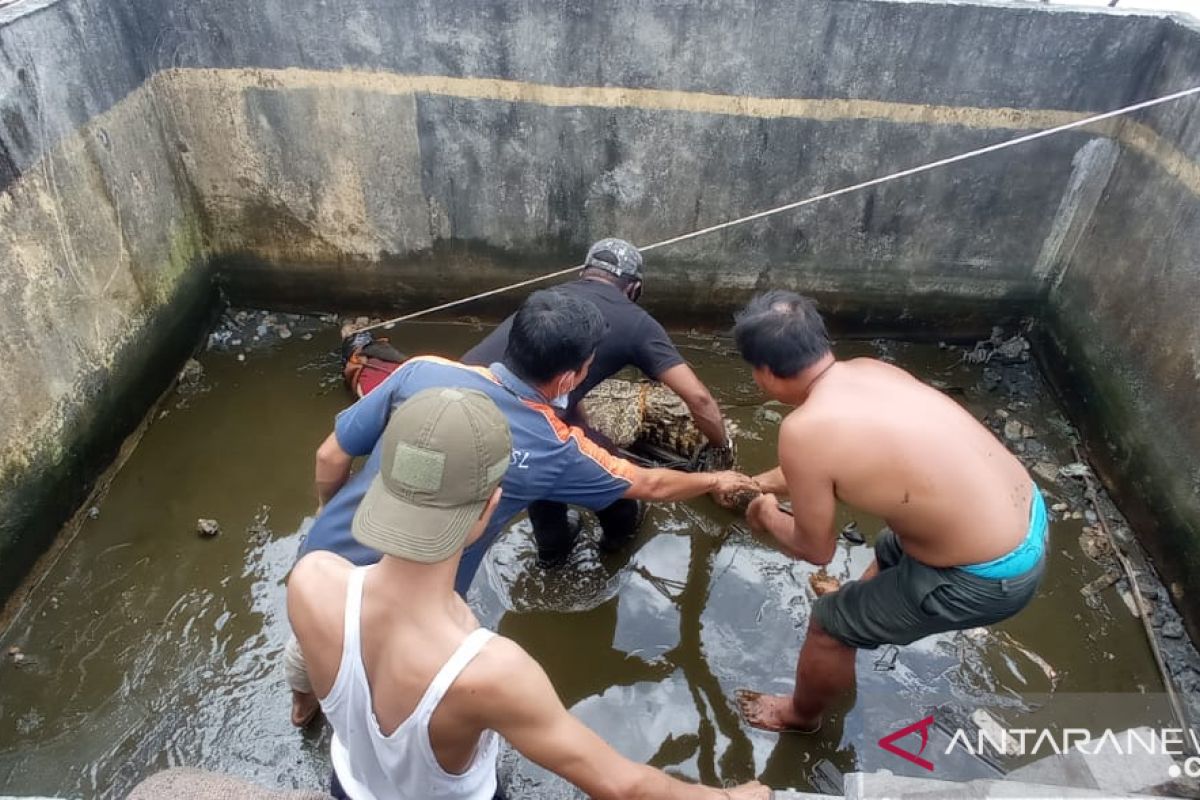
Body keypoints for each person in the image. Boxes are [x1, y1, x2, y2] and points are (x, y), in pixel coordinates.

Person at [287, 288, 756, 726]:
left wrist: (331, 515)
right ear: (571, 376)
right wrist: (714, 477)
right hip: (415, 610)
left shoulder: (421, 371)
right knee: (392, 699)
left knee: (310, 648)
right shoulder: (554, 446)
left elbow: (330, 456)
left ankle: (304, 705)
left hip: (320, 566)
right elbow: (649, 484)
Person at [289, 387, 769, 799]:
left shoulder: (313, 580)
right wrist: (727, 794)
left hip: (350, 786)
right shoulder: (491, 670)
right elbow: (622, 786)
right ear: (490, 506)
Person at [729, 290, 1047, 733]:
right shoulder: (869, 370)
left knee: (826, 625)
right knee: (890, 543)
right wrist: (758, 483)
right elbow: (816, 464)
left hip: (988, 578)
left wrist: (763, 514)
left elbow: (815, 548)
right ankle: (856, 611)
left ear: (764, 371)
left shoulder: (802, 429)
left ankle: (801, 716)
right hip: (1024, 519)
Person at [463, 238, 731, 566]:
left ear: (582, 273)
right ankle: (616, 544)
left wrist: (580, 423)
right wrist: (722, 452)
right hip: (526, 424)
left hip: (458, 409)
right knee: (619, 487)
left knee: (543, 462)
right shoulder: (635, 322)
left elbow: (550, 388)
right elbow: (699, 398)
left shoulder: (545, 303)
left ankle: (552, 554)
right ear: (633, 288)